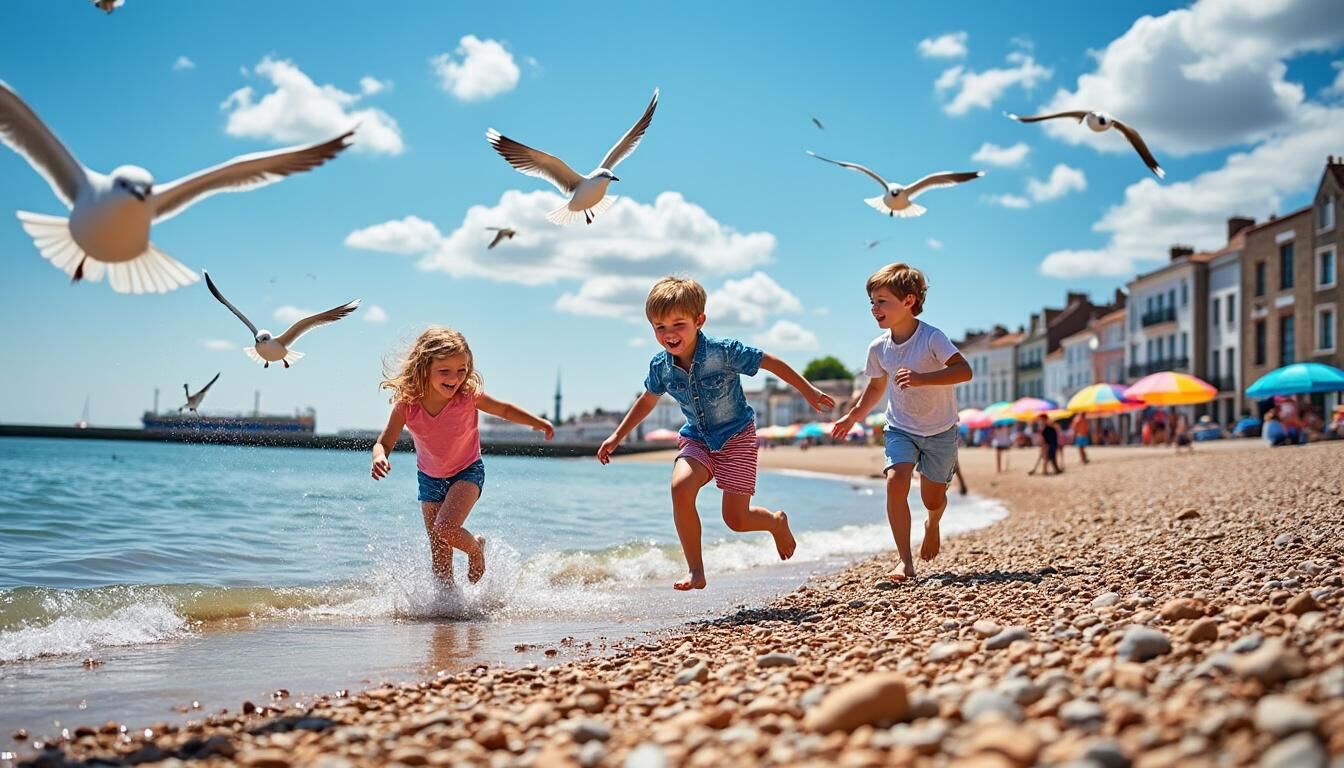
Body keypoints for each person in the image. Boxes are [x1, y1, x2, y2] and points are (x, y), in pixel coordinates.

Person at [597, 277, 834, 591]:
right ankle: (696, 571)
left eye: (678, 324)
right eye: (659, 327)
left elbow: (769, 361)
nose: (669, 334)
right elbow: (647, 400)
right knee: (680, 488)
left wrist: (809, 391)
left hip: (737, 438)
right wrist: (618, 436)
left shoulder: (724, 352)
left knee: (736, 520)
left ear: (699, 320)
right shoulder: (661, 367)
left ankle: (775, 523)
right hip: (697, 438)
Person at [371, 326, 554, 584]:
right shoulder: (407, 405)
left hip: (467, 471)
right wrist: (380, 457)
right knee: (440, 555)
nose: (454, 378)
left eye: (462, 370)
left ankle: (475, 550)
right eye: (444, 371)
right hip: (429, 479)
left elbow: (503, 409)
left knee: (445, 528)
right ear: (423, 368)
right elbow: (384, 442)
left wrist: (538, 422)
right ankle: (447, 613)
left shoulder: (467, 397)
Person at [830, 263, 972, 582]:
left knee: (932, 498)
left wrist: (923, 378)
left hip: (940, 429)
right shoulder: (878, 348)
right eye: (872, 302)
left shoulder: (932, 338)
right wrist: (853, 416)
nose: (874, 309)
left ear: (908, 301)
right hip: (900, 427)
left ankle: (933, 523)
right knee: (896, 482)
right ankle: (904, 561)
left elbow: (964, 371)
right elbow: (877, 387)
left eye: (882, 301)